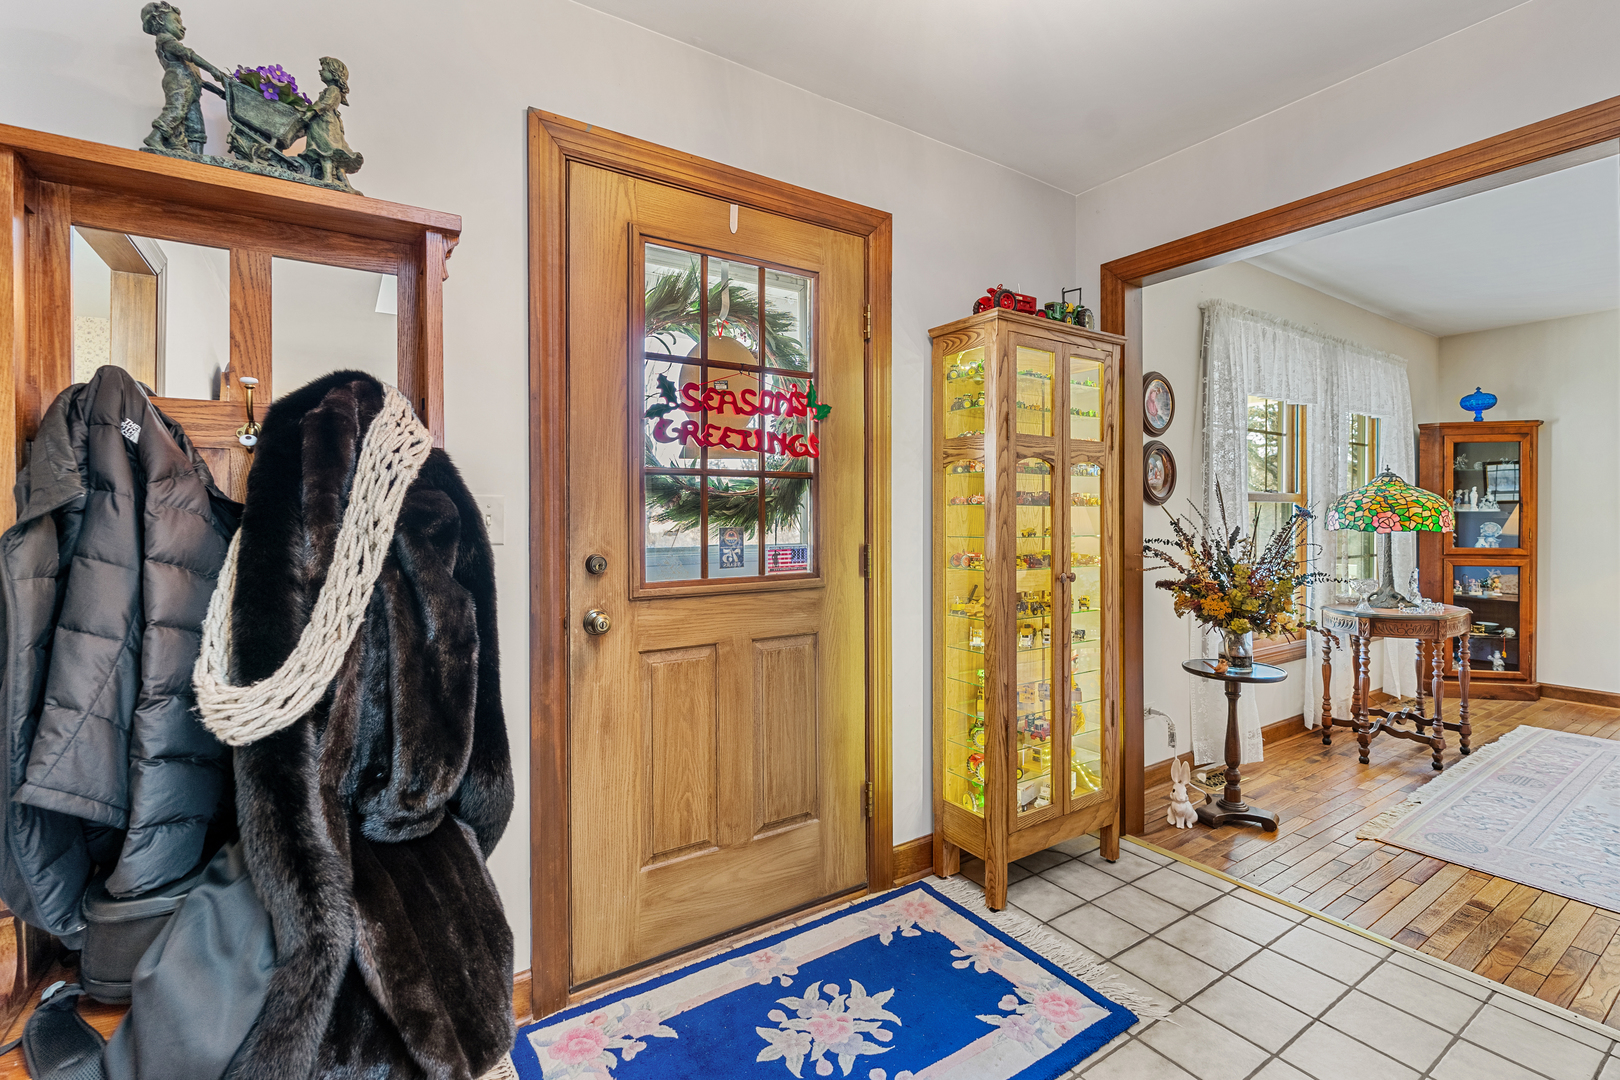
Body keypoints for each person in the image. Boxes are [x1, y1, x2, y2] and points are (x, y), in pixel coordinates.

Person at [139, 3, 227, 155]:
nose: (183, 27)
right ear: (160, 20)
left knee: (195, 124)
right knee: (176, 111)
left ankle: (193, 154)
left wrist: (218, 91)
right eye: (177, 22)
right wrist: (214, 70)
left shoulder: (170, 42)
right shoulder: (165, 40)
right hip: (178, 82)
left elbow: (197, 78)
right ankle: (155, 137)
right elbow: (189, 54)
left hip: (191, 87)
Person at [301, 56, 364, 190]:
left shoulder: (333, 90)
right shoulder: (332, 90)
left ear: (333, 73)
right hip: (328, 123)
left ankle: (328, 179)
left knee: (325, 151)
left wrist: (310, 113)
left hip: (325, 125)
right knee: (333, 154)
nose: (320, 71)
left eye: (323, 69)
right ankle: (345, 184)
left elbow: (325, 104)